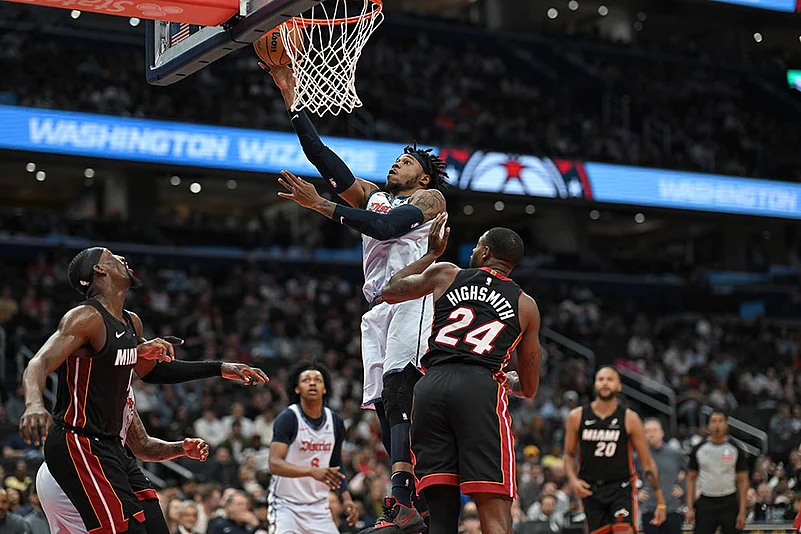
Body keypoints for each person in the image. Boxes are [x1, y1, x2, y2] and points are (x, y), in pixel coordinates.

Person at [268, 65, 448, 532]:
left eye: (408, 162)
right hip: (378, 307)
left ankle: (406, 494)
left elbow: (386, 229)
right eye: (397, 160)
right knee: (385, 405)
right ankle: (408, 497)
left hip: (414, 294)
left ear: (424, 176)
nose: (397, 164)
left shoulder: (430, 202)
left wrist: (322, 206)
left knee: (400, 391)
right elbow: (323, 160)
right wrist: (294, 102)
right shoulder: (370, 195)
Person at [380, 217, 543, 534]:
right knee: (493, 508)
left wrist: (430, 255)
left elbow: (390, 290)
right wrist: (510, 383)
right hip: (479, 388)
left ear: (483, 252)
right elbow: (530, 386)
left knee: (441, 512)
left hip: (431, 386)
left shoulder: (446, 272)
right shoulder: (526, 305)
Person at [19, 247, 178, 534]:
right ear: (99, 270)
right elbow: (38, 362)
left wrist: (218, 368)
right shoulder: (86, 317)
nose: (123, 259)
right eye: (112, 257)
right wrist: (33, 405)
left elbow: (151, 369)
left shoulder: (130, 323)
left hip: (110, 450)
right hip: (77, 444)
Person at [35, 386, 210, 534]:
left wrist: (181, 449)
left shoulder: (125, 387)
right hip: (76, 467)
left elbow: (142, 445)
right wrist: (33, 403)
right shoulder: (96, 375)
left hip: (103, 466)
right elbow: (40, 363)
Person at [563, 366, 667, 534]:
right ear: (595, 384)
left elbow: (647, 462)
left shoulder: (630, 418)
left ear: (619, 386)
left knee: (623, 531)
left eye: (610, 379)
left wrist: (660, 502)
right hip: (591, 490)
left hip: (621, 488)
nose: (605, 383)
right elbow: (568, 454)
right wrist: (573, 481)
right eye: (601, 379)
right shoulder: (577, 416)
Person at [267, 361, 359, 534]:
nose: (312, 383)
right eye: (306, 380)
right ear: (297, 389)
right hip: (286, 505)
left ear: (324, 389)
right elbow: (274, 464)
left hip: (319, 507)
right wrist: (311, 471)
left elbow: (336, 464)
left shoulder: (335, 422)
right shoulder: (288, 418)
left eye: (317, 380)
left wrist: (346, 498)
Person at [685, 411, 749, 534]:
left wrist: (742, 512)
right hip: (705, 502)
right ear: (708, 425)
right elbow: (690, 479)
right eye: (713, 421)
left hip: (729, 501)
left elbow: (743, 481)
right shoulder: (699, 448)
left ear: (726, 424)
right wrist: (690, 507)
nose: (717, 425)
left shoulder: (735, 448)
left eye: (720, 421)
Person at [639, 418, 686, 534]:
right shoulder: (638, 456)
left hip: (672, 509)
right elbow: (628, 476)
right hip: (649, 509)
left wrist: (682, 487)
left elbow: (689, 472)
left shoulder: (675, 454)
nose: (651, 434)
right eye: (647, 431)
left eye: (654, 430)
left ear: (662, 432)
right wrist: (637, 492)